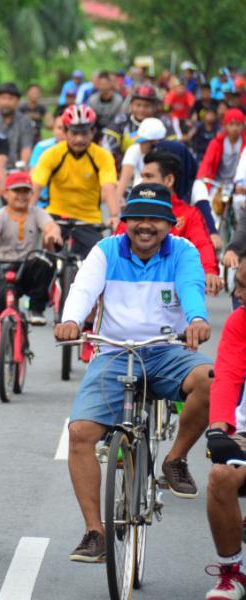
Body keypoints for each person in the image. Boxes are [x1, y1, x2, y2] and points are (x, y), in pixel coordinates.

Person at [54, 182, 213, 562]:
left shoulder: (184, 252)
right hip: (113, 354)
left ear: (169, 225)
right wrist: (71, 320)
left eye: (155, 219)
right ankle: (95, 532)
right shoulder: (106, 250)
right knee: (80, 434)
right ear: (125, 221)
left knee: (211, 381)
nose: (146, 226)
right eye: (138, 217)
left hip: (167, 350)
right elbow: (82, 289)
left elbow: (192, 287)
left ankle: (174, 460)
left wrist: (196, 318)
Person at [0, 171, 61, 378]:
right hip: (3, 268)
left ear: (31, 194)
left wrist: (52, 233)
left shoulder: (36, 212)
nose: (21, 196)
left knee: (44, 260)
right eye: (16, 192)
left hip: (29, 268)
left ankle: (36, 310)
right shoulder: (0, 215)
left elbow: (49, 225)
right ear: (6, 194)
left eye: (25, 192)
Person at [116, 150, 223, 295]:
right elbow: (117, 246)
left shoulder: (189, 214)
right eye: (142, 177)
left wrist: (209, 271)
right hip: (134, 287)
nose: (142, 183)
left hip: (173, 292)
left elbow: (202, 244)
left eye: (149, 176)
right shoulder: (133, 212)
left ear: (169, 180)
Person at [203, 258, 246, 599]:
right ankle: (231, 574)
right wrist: (218, 429)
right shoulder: (239, 321)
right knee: (220, 476)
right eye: (238, 285)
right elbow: (228, 373)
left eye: (245, 286)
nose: (238, 294)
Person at [31, 104, 120, 258]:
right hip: (55, 217)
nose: (79, 139)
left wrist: (114, 215)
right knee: (43, 260)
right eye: (74, 133)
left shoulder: (103, 156)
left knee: (98, 263)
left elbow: (108, 188)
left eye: (85, 133)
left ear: (93, 132)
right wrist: (28, 212)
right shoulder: (51, 154)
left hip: (89, 220)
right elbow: (36, 186)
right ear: (65, 132)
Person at [101, 84, 172, 165]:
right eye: (138, 105)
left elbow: (172, 148)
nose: (142, 109)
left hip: (156, 166)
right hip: (124, 166)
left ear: (155, 107)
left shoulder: (163, 123)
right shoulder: (120, 121)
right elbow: (108, 148)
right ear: (131, 105)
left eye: (147, 106)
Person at [197, 107, 246, 190]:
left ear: (242, 126)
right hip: (218, 184)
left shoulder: (244, 143)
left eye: (238, 125)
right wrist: (200, 181)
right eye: (231, 124)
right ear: (225, 126)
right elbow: (207, 163)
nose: (235, 128)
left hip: (240, 186)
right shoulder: (216, 143)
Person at [117, 117, 167, 193]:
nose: (139, 143)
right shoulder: (134, 149)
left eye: (142, 141)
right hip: (137, 195)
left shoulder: (167, 154)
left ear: (154, 142)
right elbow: (123, 181)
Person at [0, 82, 35, 167]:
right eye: (3, 98)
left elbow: (26, 148)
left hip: (16, 168)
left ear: (17, 101)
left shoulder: (25, 122)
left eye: (10, 99)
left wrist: (22, 167)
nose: (6, 102)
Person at [29, 119, 66, 207]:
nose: (63, 132)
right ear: (53, 130)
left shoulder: (78, 150)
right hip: (43, 202)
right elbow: (33, 176)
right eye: (59, 128)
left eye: (66, 129)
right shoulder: (42, 147)